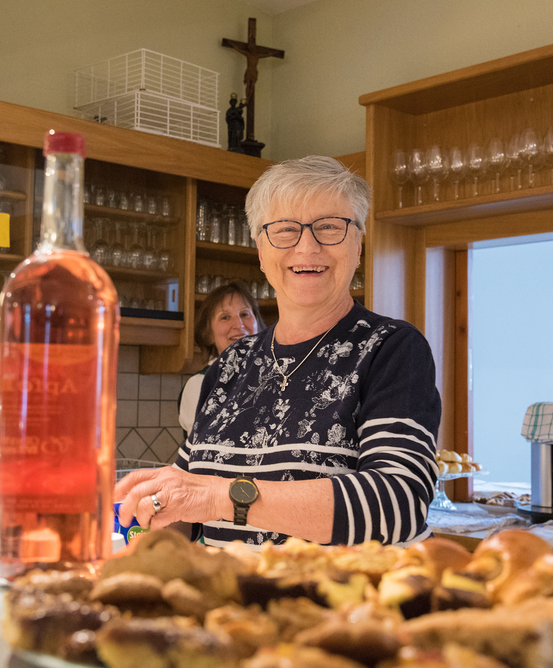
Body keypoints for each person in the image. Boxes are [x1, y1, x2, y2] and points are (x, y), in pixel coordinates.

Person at [116, 156, 441, 549]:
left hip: (349, 590)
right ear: (261, 251)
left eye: (329, 227)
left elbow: (398, 503)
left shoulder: (390, 348)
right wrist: (143, 523)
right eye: (285, 230)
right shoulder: (231, 364)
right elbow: (188, 504)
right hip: (229, 589)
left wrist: (224, 497)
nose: (308, 247)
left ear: (357, 244)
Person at [178, 281, 264, 437]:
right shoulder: (200, 385)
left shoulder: (272, 377)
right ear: (208, 334)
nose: (239, 325)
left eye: (244, 314)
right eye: (225, 317)